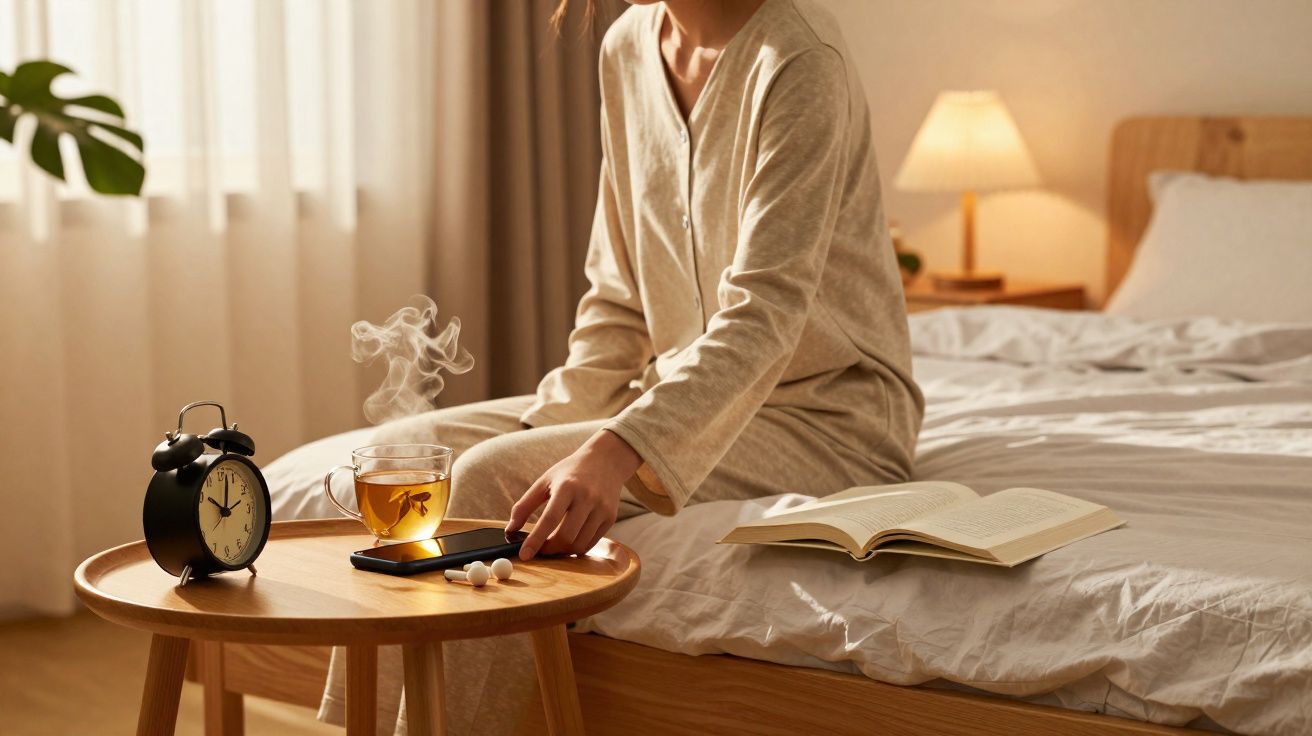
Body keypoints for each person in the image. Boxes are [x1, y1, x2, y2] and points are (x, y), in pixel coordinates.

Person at [319, 0, 924, 732]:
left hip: (828, 416)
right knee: (409, 458)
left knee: (484, 478)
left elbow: (765, 315)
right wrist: (554, 429)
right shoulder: (628, 45)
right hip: (676, 393)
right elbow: (618, 295)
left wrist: (610, 452)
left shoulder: (799, 60)